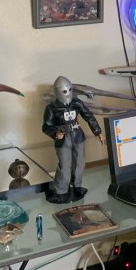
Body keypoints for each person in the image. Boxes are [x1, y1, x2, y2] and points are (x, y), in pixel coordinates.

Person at [42, 76, 103, 204]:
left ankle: (77, 186)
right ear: (58, 92)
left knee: (79, 163)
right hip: (63, 139)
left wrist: (97, 132)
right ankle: (60, 191)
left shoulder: (77, 103)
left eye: (70, 89)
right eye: (64, 91)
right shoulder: (51, 108)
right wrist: (56, 133)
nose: (68, 93)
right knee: (65, 165)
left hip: (77, 136)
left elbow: (89, 116)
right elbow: (46, 126)